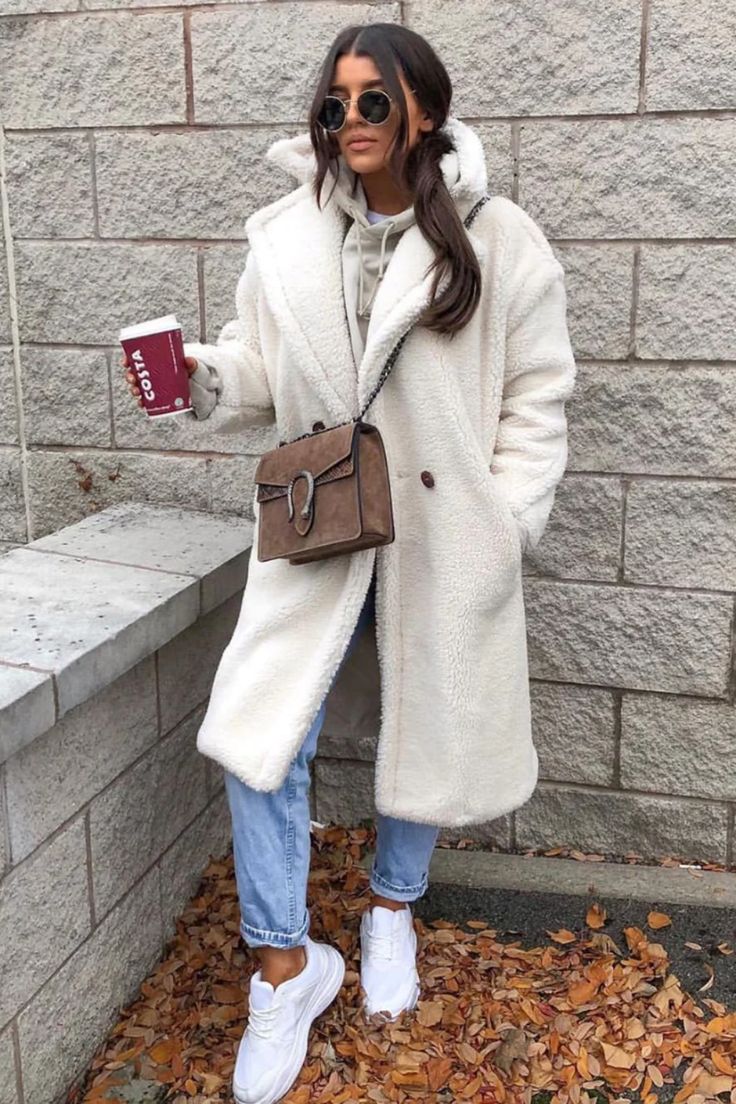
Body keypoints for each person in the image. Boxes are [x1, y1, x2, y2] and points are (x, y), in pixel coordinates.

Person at [122, 21, 577, 1104]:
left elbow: (538, 396)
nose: (352, 120)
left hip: (441, 532)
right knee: (259, 735)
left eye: (375, 100)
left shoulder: (498, 237)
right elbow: (261, 367)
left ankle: (390, 912)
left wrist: (506, 523)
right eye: (335, 103)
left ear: (426, 109)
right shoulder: (286, 235)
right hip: (321, 526)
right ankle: (286, 968)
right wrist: (199, 378)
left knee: (430, 715)